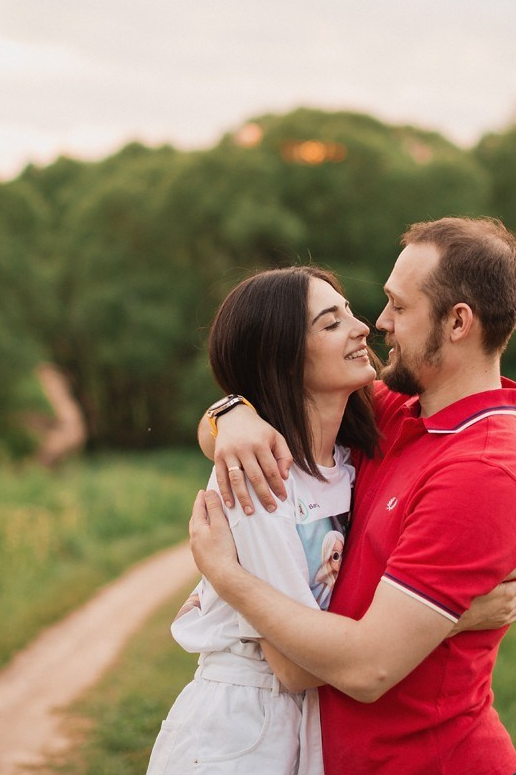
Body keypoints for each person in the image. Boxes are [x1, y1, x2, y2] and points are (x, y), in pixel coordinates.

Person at [191, 217, 516, 775]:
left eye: (399, 307)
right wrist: (228, 415)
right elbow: (284, 394)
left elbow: (369, 669)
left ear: (458, 322)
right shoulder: (390, 412)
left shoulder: (483, 472)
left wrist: (226, 575)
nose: (378, 323)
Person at [147, 266, 380, 774]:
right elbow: (294, 666)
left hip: (308, 725)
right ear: (283, 358)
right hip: (239, 731)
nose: (362, 326)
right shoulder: (261, 475)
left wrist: (227, 410)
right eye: (330, 322)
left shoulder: (347, 460)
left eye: (350, 312)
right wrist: (446, 618)